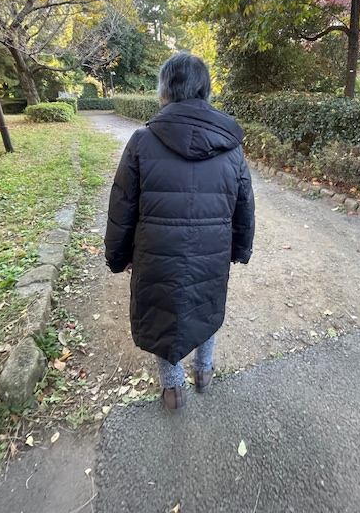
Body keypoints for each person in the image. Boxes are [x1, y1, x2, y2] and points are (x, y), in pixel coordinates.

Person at [104, 52, 255, 414]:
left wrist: (118, 256)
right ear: (204, 90)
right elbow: (244, 205)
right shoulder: (231, 147)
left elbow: (122, 205)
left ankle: (173, 389)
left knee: (162, 312)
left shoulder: (142, 140)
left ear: (165, 90)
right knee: (205, 305)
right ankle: (204, 371)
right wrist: (239, 248)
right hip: (211, 252)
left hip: (157, 253)